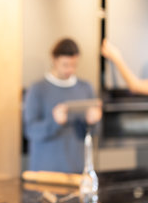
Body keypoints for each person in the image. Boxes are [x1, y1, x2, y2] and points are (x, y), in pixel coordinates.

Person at [23, 38, 102, 174]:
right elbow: (30, 131)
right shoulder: (38, 89)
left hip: (77, 172)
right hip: (45, 175)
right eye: (65, 65)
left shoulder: (85, 88)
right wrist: (54, 122)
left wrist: (93, 122)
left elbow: (95, 132)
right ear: (54, 60)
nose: (69, 70)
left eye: (74, 65)